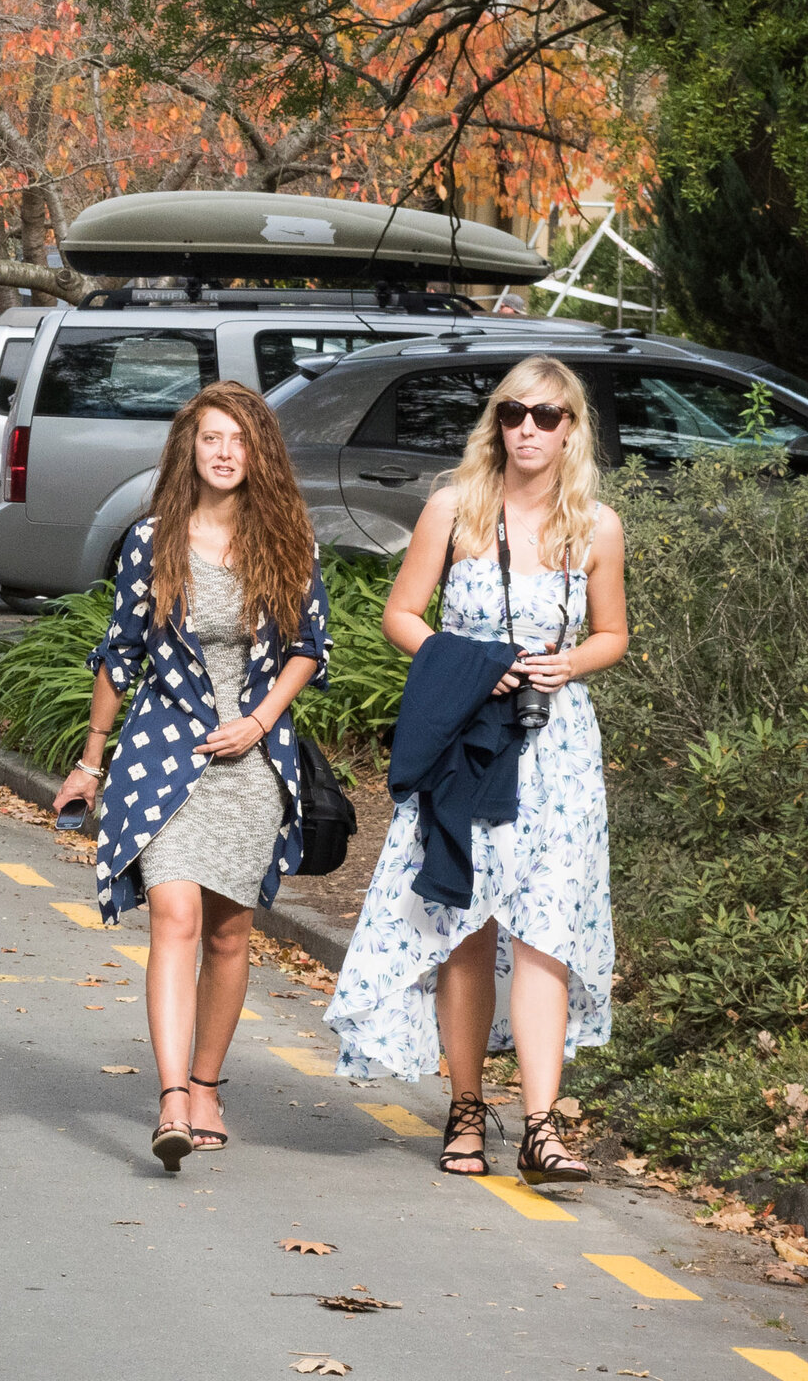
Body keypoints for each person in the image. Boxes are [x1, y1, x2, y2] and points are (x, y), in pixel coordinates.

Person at [326, 354, 625, 1182]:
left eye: (546, 415)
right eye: (513, 413)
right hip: (466, 732)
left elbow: (612, 633)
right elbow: (400, 613)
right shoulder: (454, 509)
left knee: (545, 932)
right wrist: (468, 665)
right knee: (466, 920)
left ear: (571, 430)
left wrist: (569, 664)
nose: (527, 428)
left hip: (557, 749)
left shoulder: (595, 525)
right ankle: (464, 1109)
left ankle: (540, 1127)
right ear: (496, 424)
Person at [49, 384, 333, 1168]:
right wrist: (89, 759)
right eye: (210, 437)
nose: (223, 451)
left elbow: (311, 644)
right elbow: (118, 651)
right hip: (162, 747)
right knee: (172, 911)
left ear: (259, 452)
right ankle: (172, 1094)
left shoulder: (288, 539)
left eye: (238, 439)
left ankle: (207, 1082)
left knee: (229, 930)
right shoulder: (151, 540)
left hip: (251, 755)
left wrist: (261, 720)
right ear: (189, 448)